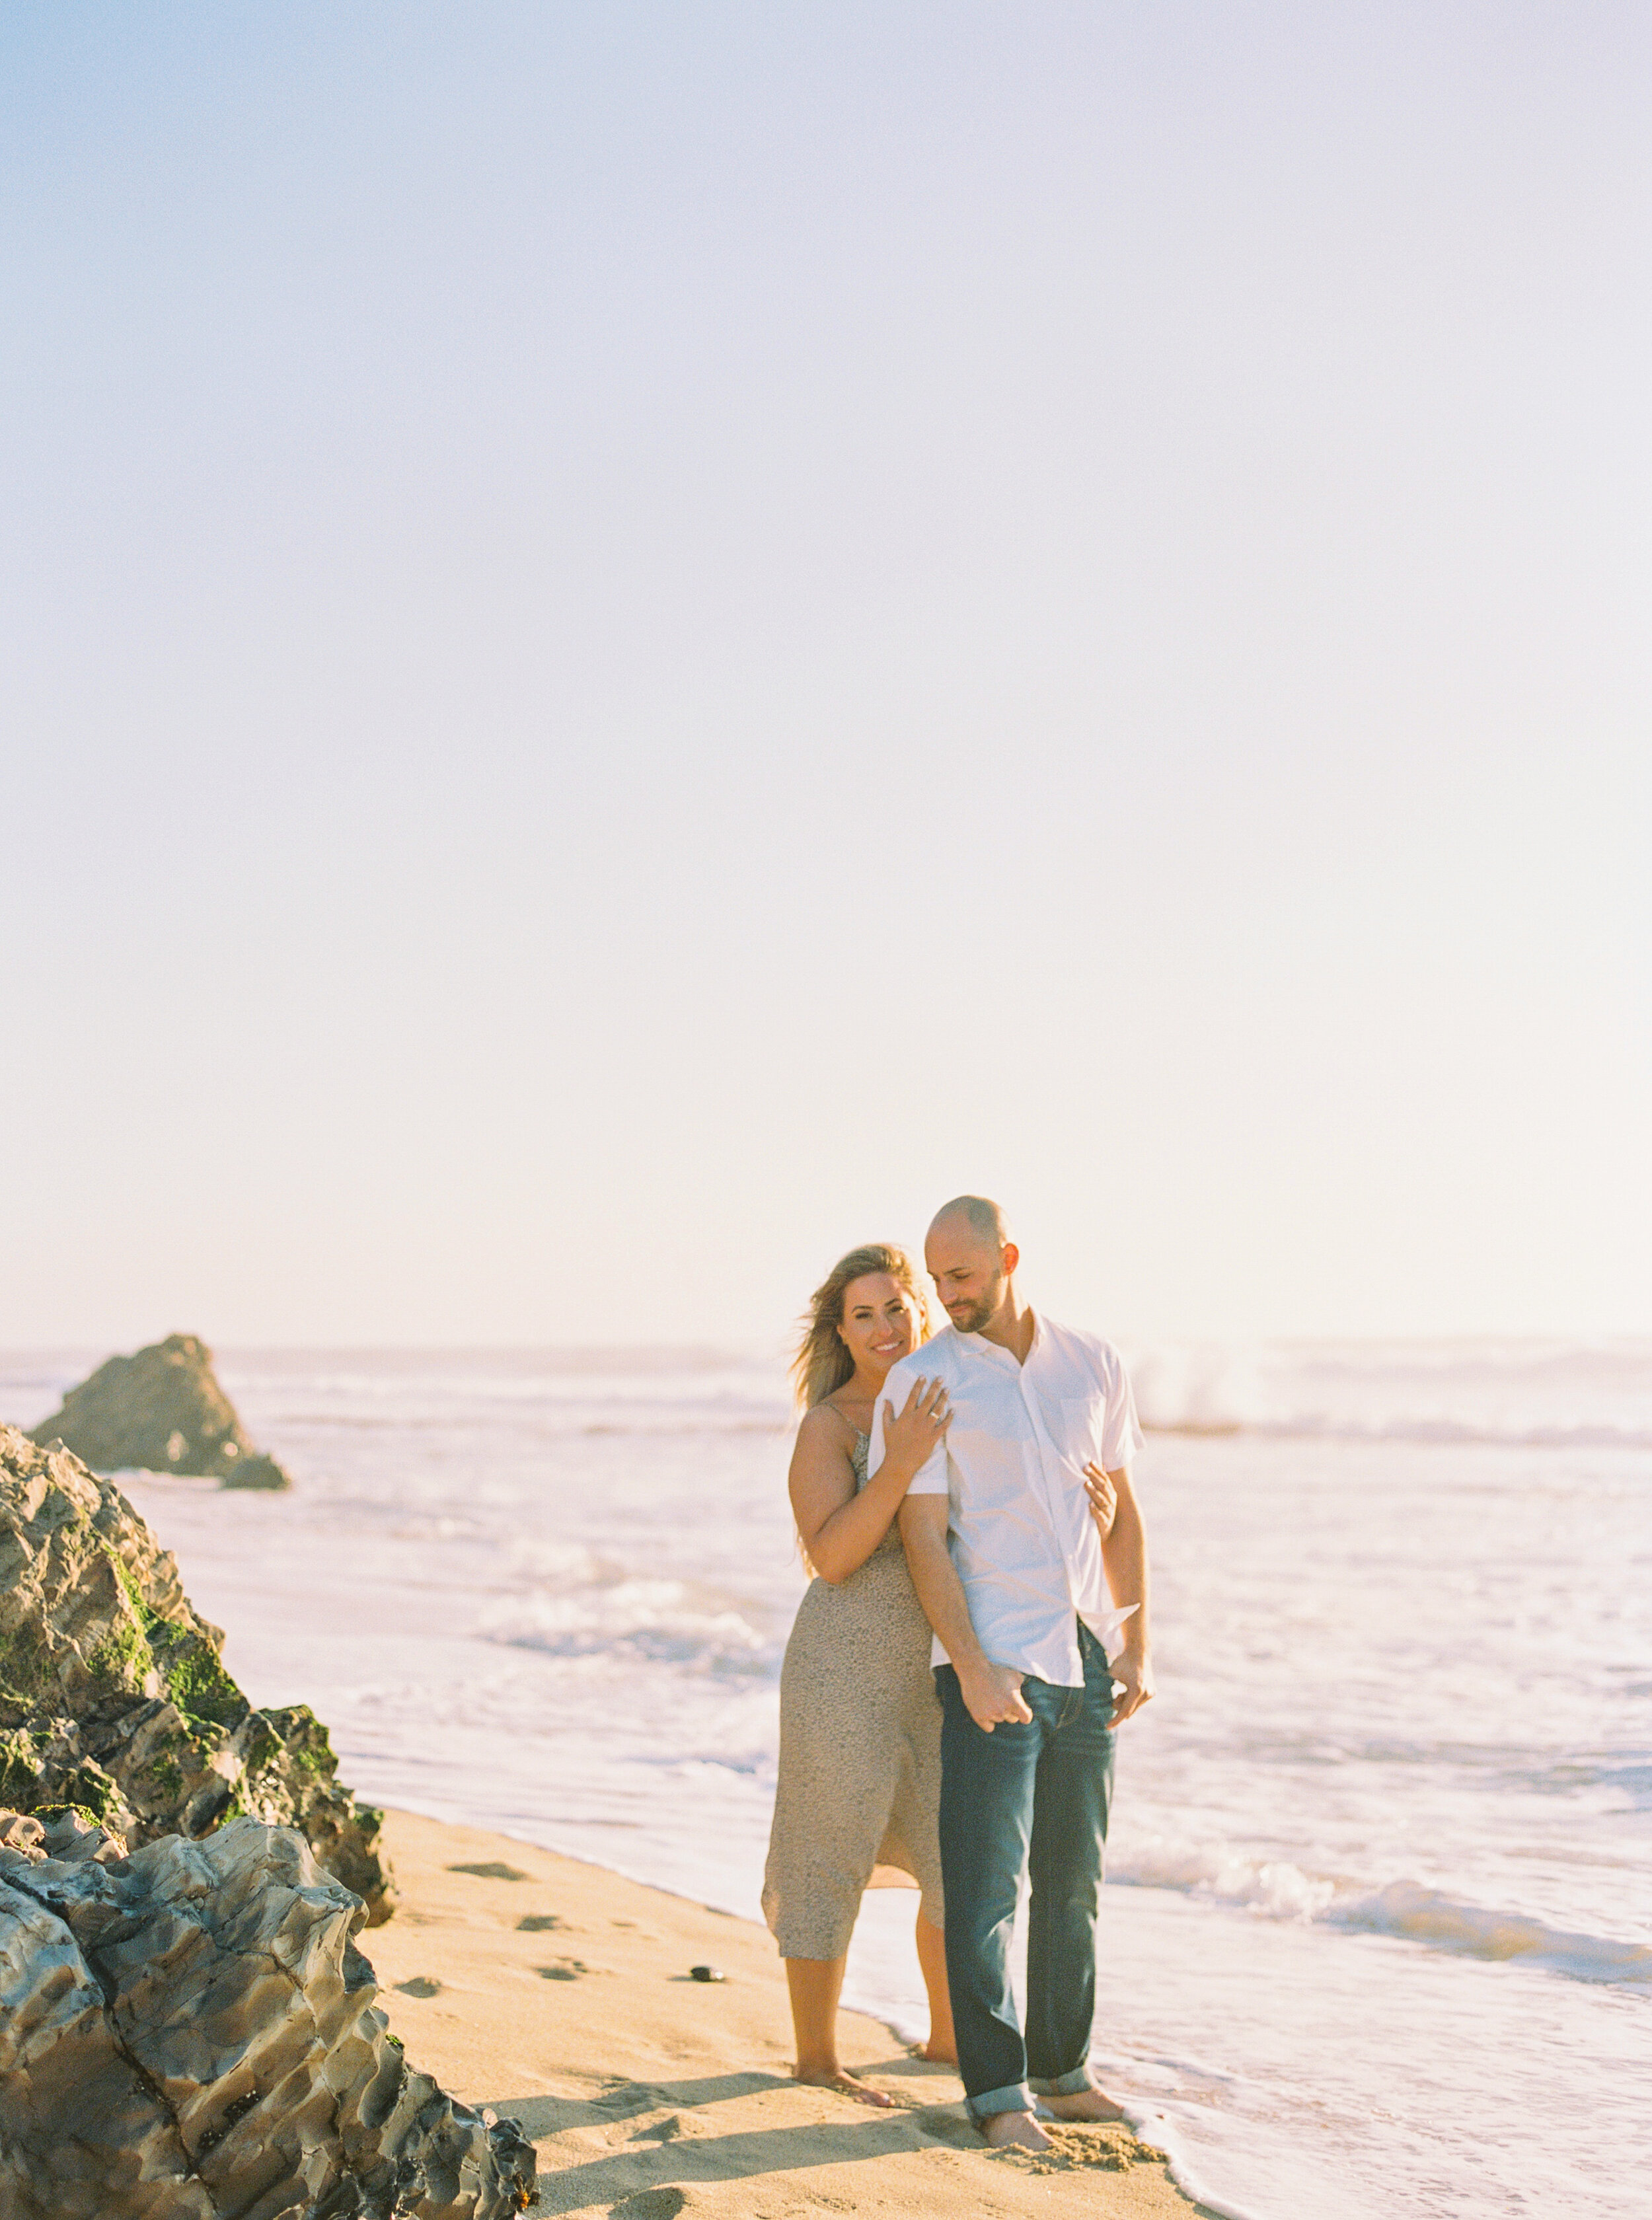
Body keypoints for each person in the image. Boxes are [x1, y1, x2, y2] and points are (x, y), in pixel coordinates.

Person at [871, 1195, 1154, 2152]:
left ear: (1009, 1259)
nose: (946, 1295)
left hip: (1082, 1652)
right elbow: (922, 1540)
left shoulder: (1092, 1364)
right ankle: (996, 2097)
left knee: (1074, 1882)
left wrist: (1137, 1643)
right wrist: (976, 1667)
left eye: (963, 1276)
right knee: (986, 1890)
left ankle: (1063, 2074)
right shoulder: (923, 1381)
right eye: (936, 1278)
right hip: (991, 1660)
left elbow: (1123, 1511)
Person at [762, 1241, 959, 2104]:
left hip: (944, 1665)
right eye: (863, 1314)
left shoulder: (961, 1396)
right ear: (842, 1332)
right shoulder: (831, 1424)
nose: (884, 1327)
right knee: (827, 1856)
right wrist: (904, 1459)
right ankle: (815, 2059)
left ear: (921, 1308)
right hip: (841, 1670)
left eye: (894, 1307)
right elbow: (832, 1556)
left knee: (955, 1853)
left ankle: (951, 2043)